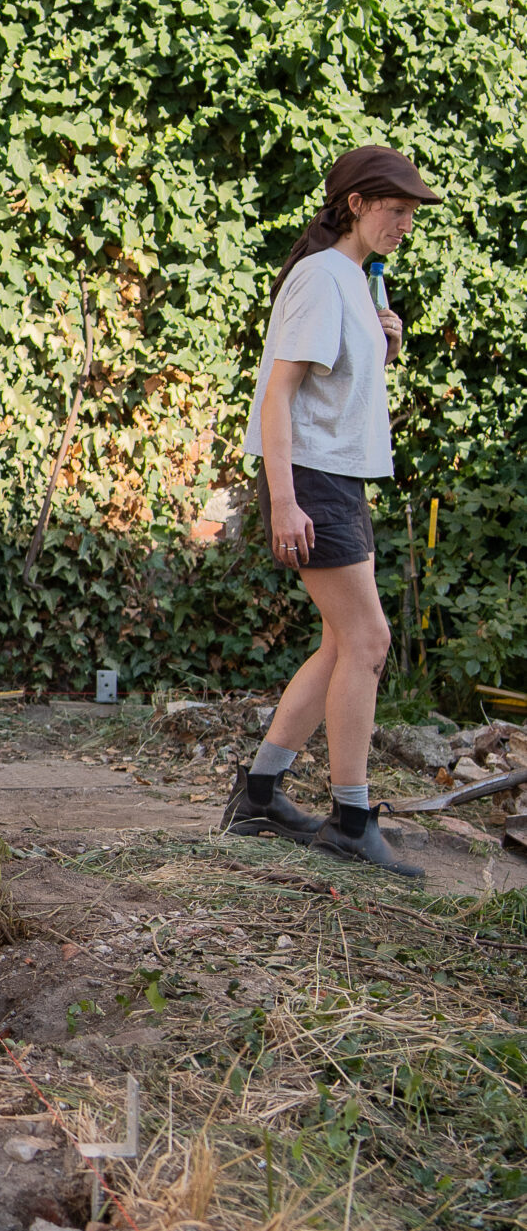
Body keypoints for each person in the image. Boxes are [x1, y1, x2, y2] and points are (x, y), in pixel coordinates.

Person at [224, 144, 439, 878]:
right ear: (354, 204)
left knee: (341, 643)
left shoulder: (353, 280)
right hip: (309, 479)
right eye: (394, 209)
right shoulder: (320, 278)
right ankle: (350, 819)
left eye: (410, 213)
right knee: (369, 642)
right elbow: (277, 394)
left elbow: (331, 387)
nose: (404, 223)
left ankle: (258, 794)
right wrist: (282, 500)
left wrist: (384, 347)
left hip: (338, 477)